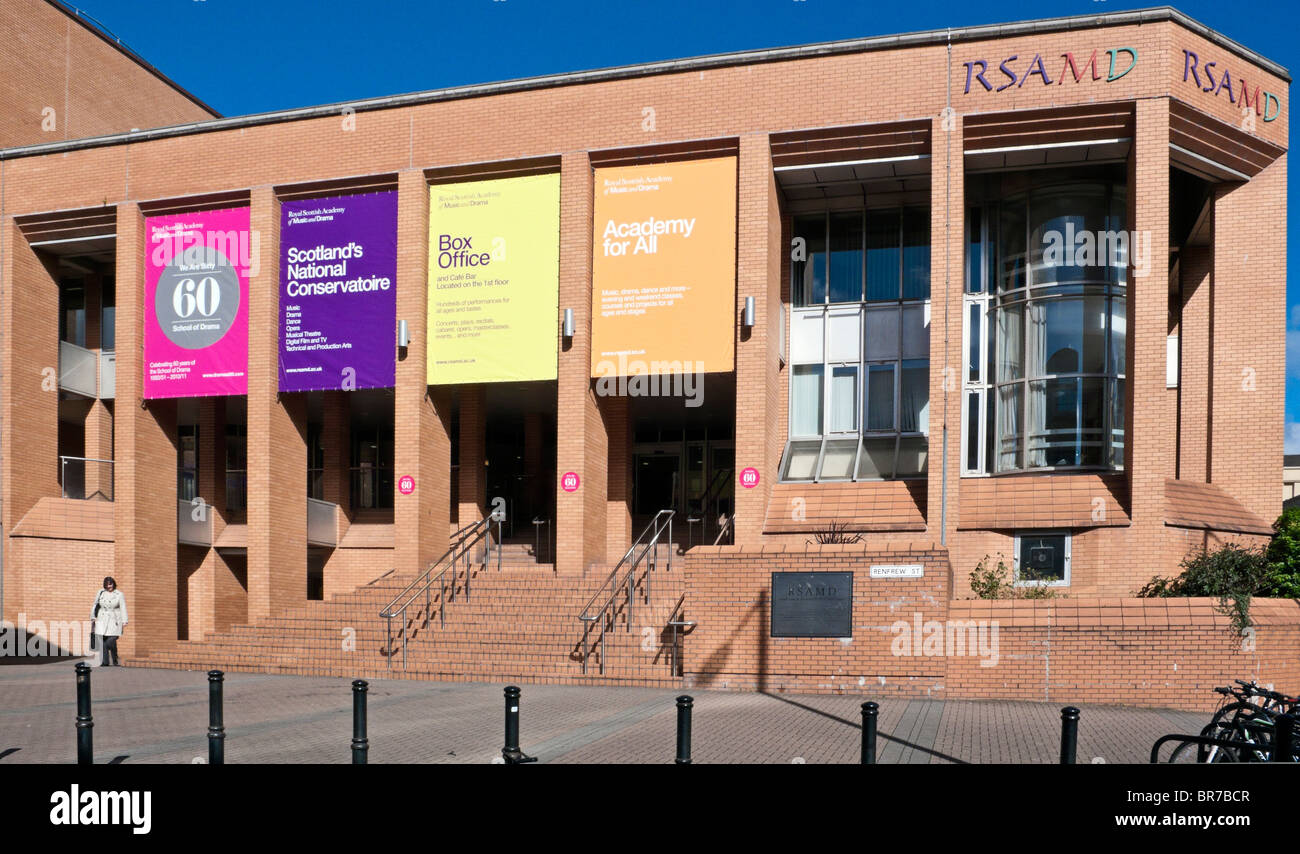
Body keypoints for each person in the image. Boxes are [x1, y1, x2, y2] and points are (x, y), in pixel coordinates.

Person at [91, 576, 127, 667]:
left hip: (114, 619)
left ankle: (114, 658)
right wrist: (93, 616)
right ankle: (105, 662)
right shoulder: (100, 592)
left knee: (110, 641)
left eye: (110, 584)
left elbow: (123, 607)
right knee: (103, 641)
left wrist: (125, 620)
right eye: (107, 584)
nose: (109, 586)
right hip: (102, 618)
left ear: (113, 583)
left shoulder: (119, 594)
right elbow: (95, 604)